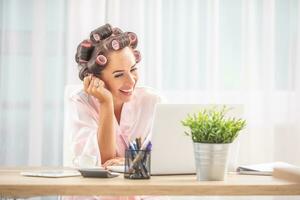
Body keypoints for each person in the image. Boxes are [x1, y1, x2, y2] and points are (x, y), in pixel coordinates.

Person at [70, 23, 162, 171]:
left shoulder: (153, 101)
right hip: (98, 192)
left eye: (132, 69)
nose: (131, 81)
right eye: (119, 74)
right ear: (94, 78)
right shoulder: (81, 102)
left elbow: (164, 158)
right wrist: (105, 102)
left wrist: (127, 161)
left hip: (142, 189)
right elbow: (103, 162)